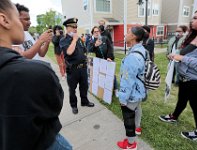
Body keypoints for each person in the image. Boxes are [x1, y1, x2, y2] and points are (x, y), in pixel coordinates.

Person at [0, 1, 72, 150]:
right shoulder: (36, 71)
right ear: (5, 20)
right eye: (23, 19)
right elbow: (54, 104)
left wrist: (45, 42)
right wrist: (39, 40)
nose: (28, 22)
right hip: (30, 83)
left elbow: (41, 53)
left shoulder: (26, 36)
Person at [159, 10, 197, 140]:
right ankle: (174, 117)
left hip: (195, 81)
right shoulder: (193, 36)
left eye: (195, 18)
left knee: (196, 106)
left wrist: (181, 58)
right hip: (184, 78)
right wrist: (173, 55)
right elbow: (183, 53)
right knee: (182, 100)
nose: (192, 20)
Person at [117, 26, 146, 150]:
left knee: (128, 117)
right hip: (139, 91)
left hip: (132, 93)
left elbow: (127, 80)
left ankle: (131, 144)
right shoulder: (142, 50)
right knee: (138, 108)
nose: (125, 34)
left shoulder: (132, 57)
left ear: (134, 36)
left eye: (128, 32)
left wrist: (123, 98)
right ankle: (137, 128)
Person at [60, 18, 94, 114]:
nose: (75, 29)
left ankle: (84, 101)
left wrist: (86, 56)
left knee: (84, 87)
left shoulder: (79, 39)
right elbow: (69, 52)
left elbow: (83, 50)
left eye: (76, 27)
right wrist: (74, 40)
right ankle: (74, 105)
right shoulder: (64, 40)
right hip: (73, 70)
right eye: (73, 27)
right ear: (67, 28)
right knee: (72, 89)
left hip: (83, 68)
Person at [87, 26, 118, 96]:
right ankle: (106, 89)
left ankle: (116, 89)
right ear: (92, 33)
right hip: (100, 61)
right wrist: (95, 45)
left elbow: (110, 48)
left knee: (112, 75)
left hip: (108, 59)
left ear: (100, 32)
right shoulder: (91, 41)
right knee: (103, 75)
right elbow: (89, 50)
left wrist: (109, 57)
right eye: (94, 32)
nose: (96, 33)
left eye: (97, 31)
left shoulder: (105, 38)